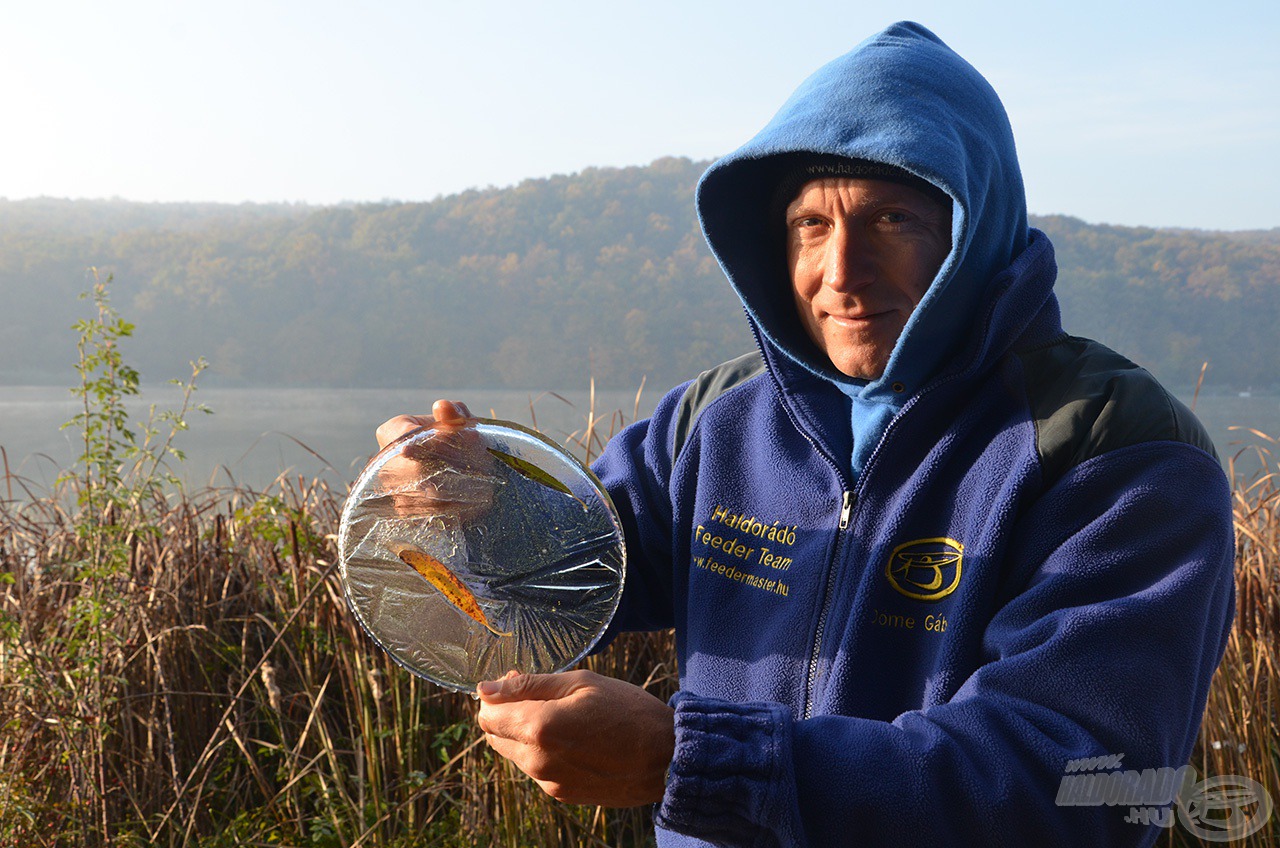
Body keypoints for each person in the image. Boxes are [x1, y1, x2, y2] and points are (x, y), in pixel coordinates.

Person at [374, 22, 1236, 847]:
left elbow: (1086, 789)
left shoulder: (1115, 451)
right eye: (809, 226)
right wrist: (476, 505)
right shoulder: (712, 422)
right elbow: (566, 584)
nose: (840, 274)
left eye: (891, 220)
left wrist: (688, 759)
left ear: (976, 230)